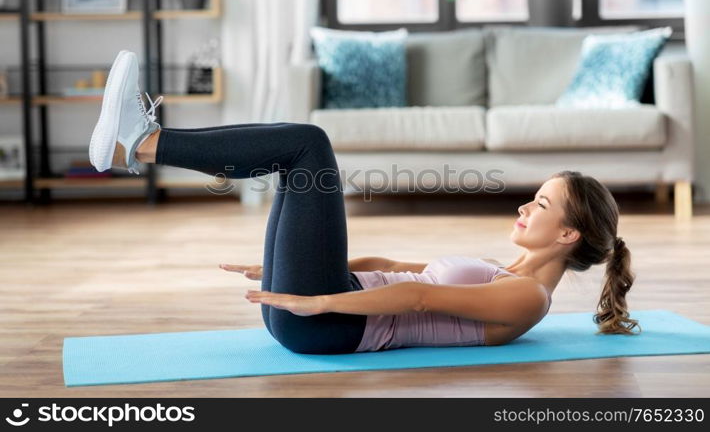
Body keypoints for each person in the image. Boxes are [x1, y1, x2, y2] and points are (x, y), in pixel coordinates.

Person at [90, 50, 641, 355]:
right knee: (294, 157)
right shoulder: (504, 272)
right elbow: (391, 269)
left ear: (569, 234)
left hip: (327, 324)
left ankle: (142, 141)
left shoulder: (528, 300)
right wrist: (282, 266)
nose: (524, 208)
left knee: (309, 144)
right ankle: (141, 142)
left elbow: (420, 301)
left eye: (541, 205)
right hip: (323, 304)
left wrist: (320, 303)